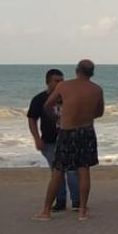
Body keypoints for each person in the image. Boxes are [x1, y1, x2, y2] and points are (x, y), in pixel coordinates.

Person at [34, 58, 104, 222]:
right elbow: (99, 112)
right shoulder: (97, 89)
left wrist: (58, 118)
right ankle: (82, 211)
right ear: (92, 73)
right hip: (86, 131)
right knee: (84, 170)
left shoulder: (64, 86)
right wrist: (85, 115)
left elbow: (47, 105)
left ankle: (46, 211)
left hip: (67, 131)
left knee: (58, 171)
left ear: (77, 70)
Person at [27, 68, 78, 213]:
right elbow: (32, 119)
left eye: (62, 80)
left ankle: (77, 202)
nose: (60, 83)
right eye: (56, 81)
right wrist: (37, 138)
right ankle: (60, 201)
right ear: (48, 82)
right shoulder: (39, 99)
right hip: (49, 141)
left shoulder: (69, 97)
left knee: (72, 171)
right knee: (56, 172)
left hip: (69, 139)